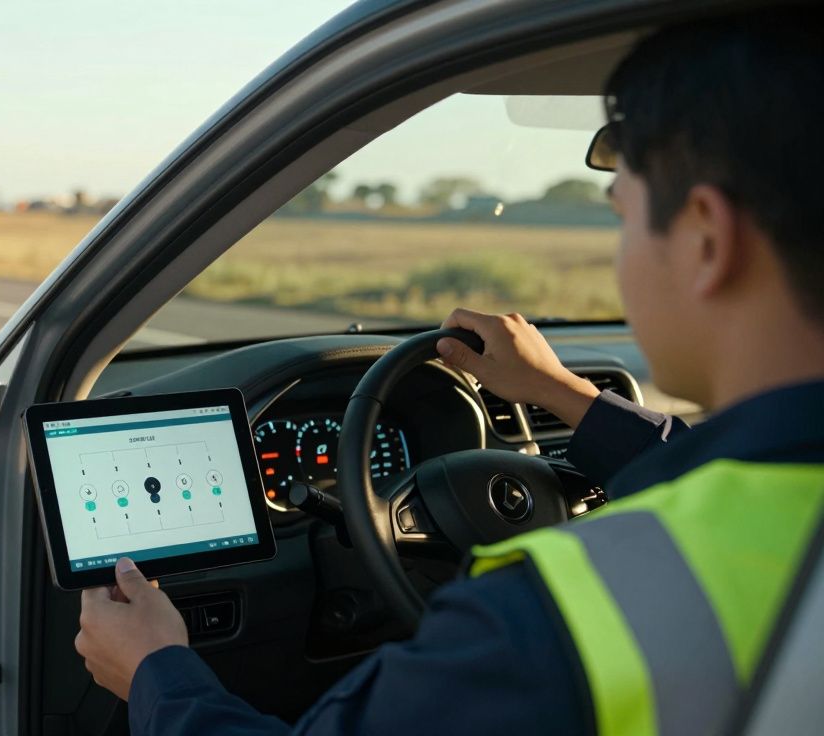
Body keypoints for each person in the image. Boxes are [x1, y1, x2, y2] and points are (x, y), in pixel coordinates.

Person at [74, 11, 824, 735]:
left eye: (621, 217)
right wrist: (560, 394)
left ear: (704, 239)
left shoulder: (550, 620)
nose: (620, 257)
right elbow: (714, 482)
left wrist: (155, 670)